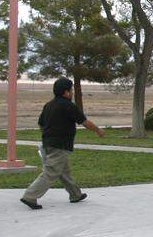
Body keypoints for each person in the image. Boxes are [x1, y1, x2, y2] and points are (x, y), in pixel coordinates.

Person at [20, 78, 104, 210]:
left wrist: (47, 136)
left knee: (64, 171)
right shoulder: (68, 105)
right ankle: (30, 196)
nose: (71, 93)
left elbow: (41, 123)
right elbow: (84, 122)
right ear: (65, 92)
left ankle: (76, 194)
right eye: (70, 90)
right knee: (51, 171)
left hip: (48, 143)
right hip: (60, 145)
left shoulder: (49, 105)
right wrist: (98, 130)